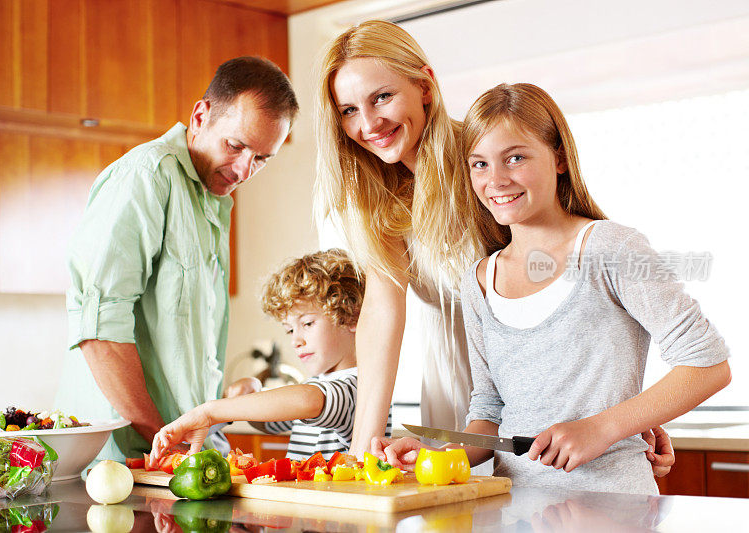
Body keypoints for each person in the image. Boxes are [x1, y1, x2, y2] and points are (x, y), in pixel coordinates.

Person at [314, 19, 674, 476]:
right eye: (348, 110)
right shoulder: (375, 198)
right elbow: (382, 313)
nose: (368, 123)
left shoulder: (485, 162)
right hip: (458, 398)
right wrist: (362, 453)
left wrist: (622, 417)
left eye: (382, 97)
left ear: (425, 86)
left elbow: (578, 281)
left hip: (538, 397)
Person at [376, 83, 731, 494]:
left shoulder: (609, 247)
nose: (497, 180)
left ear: (559, 157)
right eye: (479, 164)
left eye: (516, 157)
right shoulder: (478, 281)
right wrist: (432, 454)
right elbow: (490, 412)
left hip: (614, 507)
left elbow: (707, 364)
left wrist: (602, 428)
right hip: (517, 511)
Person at [56, 56, 298, 463]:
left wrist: (220, 407)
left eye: (261, 159)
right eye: (235, 145)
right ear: (201, 116)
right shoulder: (146, 176)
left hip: (178, 459)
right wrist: (164, 439)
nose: (243, 170)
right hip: (125, 460)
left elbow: (176, 349)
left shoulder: (213, 199)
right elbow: (98, 329)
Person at [149, 249, 391, 464]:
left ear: (351, 317)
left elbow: (309, 401)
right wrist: (252, 394)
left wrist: (211, 411)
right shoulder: (319, 386)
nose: (296, 340)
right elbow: (269, 421)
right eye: (289, 329)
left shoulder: (360, 387)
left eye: (307, 323)